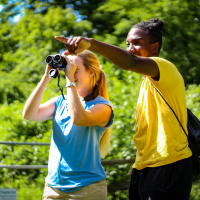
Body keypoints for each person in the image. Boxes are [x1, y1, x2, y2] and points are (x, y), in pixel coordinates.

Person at [55, 18, 193, 200]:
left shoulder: (165, 68)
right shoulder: (148, 81)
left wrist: (91, 44)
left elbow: (131, 62)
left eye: (137, 43)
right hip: (144, 166)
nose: (130, 48)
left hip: (169, 163)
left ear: (154, 46)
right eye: (128, 43)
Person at [23, 50, 114, 200]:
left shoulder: (103, 107)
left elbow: (78, 118)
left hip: (86, 189)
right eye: (68, 69)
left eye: (75, 69)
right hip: (53, 188)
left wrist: (69, 81)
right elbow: (29, 114)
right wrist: (46, 77)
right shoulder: (60, 102)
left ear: (91, 73)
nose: (69, 73)